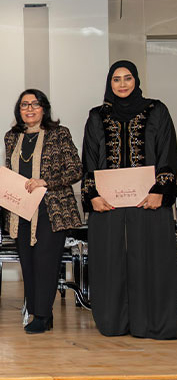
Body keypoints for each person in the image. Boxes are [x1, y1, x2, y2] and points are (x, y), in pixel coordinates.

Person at [82, 61, 177, 339]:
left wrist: (161, 190)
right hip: (107, 205)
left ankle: (154, 322)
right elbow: (89, 160)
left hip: (150, 202)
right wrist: (92, 195)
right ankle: (114, 321)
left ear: (136, 80)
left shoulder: (157, 110)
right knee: (110, 260)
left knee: (152, 259)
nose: (122, 84)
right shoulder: (97, 116)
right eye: (116, 79)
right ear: (109, 83)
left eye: (127, 78)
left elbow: (168, 153)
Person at [3, 88, 82, 334]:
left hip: (51, 209)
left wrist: (44, 181)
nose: (29, 109)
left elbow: (76, 170)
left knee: (45, 263)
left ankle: (42, 315)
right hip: (21, 210)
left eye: (35, 104)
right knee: (28, 264)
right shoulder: (11, 137)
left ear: (44, 109)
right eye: (24, 105)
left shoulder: (59, 134)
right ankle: (40, 314)